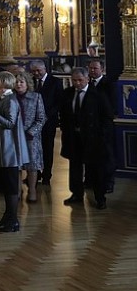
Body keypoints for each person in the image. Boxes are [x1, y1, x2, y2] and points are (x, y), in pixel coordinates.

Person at [60, 67, 114, 209]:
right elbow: (64, 115)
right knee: (75, 167)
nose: (77, 83)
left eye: (80, 80)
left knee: (96, 169)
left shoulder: (98, 95)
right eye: (74, 80)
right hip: (74, 137)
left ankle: (100, 197)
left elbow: (107, 117)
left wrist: (102, 136)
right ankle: (76, 194)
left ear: (87, 79)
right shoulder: (67, 93)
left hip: (93, 139)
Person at [0, 71, 28, 232]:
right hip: (0, 148)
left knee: (10, 187)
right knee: (5, 186)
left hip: (9, 151)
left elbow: (10, 123)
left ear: (2, 84)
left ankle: (13, 221)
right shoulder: (1, 99)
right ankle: (7, 217)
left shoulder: (10, 100)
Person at [14, 71, 46, 202]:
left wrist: (31, 132)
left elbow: (41, 118)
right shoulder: (10, 98)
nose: (18, 84)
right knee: (16, 165)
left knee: (32, 165)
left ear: (27, 84)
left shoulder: (36, 97)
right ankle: (17, 190)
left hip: (31, 137)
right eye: (16, 82)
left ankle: (32, 190)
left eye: (21, 82)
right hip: (14, 137)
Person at [29, 59, 62, 185]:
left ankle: (47, 175)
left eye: (38, 70)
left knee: (47, 148)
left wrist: (46, 115)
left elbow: (59, 102)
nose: (36, 73)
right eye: (33, 71)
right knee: (34, 149)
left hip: (48, 121)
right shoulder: (30, 81)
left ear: (44, 69)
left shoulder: (55, 82)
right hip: (32, 122)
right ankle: (35, 174)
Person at [88, 59, 118, 193]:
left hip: (104, 126)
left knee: (107, 156)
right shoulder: (87, 84)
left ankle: (108, 182)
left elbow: (112, 106)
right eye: (90, 68)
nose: (92, 71)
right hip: (90, 127)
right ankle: (90, 180)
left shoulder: (109, 85)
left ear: (102, 69)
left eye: (95, 68)